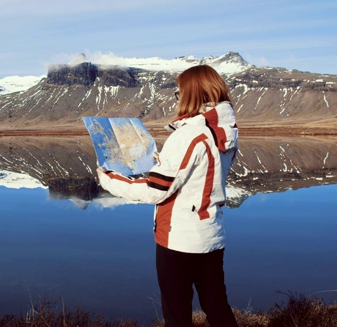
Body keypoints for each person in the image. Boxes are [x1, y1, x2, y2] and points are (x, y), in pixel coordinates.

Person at [96, 64, 239, 327]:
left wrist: (108, 179)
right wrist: (164, 162)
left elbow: (155, 190)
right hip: (211, 233)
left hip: (179, 238)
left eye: (179, 93)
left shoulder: (189, 134)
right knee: (216, 304)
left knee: (177, 312)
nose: (177, 99)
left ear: (192, 94)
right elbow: (203, 171)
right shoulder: (226, 131)